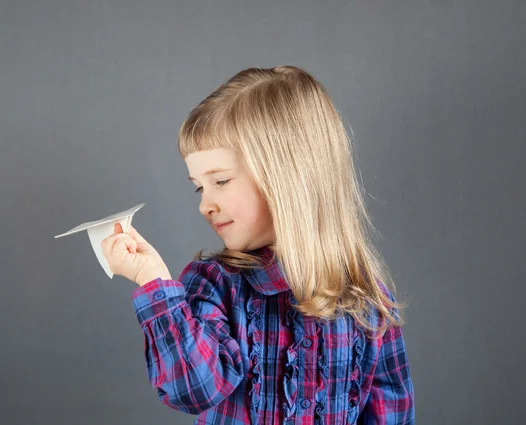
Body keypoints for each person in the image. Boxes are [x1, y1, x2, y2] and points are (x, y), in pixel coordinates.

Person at [101, 65, 415, 425]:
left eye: (220, 181)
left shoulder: (366, 301)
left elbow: (393, 412)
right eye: (200, 187)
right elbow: (192, 389)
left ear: (287, 176)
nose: (205, 205)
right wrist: (153, 279)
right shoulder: (214, 286)